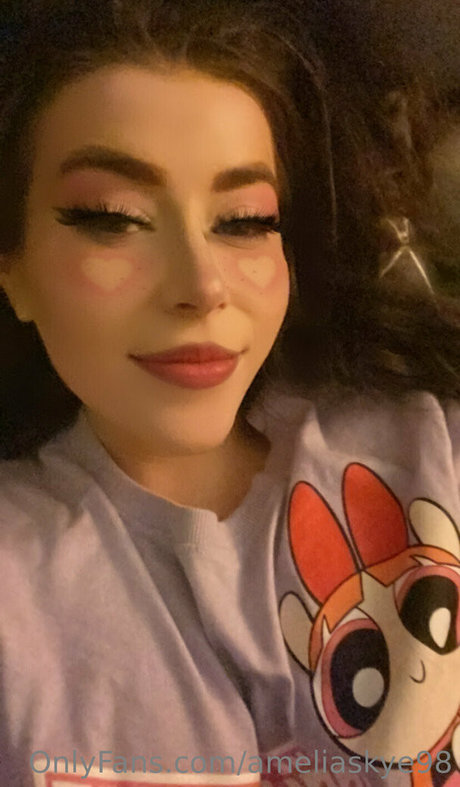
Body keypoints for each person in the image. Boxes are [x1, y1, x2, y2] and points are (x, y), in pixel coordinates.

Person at [0, 1, 458, 786]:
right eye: (114, 218)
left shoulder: (431, 445)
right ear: (14, 270)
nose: (203, 285)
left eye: (245, 220)